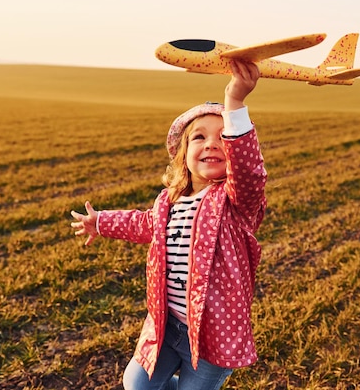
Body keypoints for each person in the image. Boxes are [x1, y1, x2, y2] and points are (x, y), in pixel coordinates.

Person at [70, 60, 266, 390]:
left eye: (222, 138)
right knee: (136, 383)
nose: (211, 144)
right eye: (199, 137)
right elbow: (142, 224)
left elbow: (249, 171)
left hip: (213, 334)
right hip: (167, 323)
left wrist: (234, 101)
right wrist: (101, 222)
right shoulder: (169, 201)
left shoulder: (235, 202)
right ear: (182, 154)